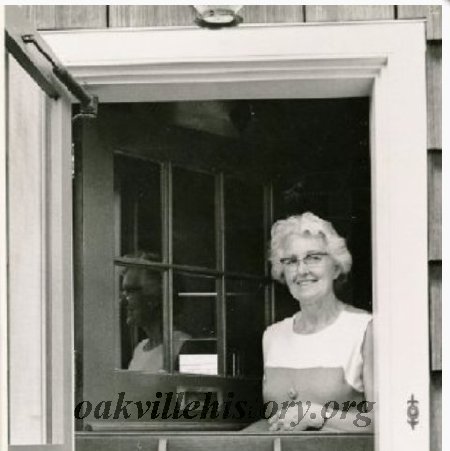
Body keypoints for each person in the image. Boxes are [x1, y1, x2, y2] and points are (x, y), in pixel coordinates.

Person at [248, 212, 374, 432]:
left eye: (313, 257)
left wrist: (317, 415)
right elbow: (271, 424)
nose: (302, 270)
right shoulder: (273, 335)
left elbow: (381, 421)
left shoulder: (363, 329)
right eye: (291, 261)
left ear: (336, 267)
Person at [120, 255, 190, 371]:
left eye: (131, 291)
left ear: (154, 298)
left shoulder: (182, 346)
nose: (123, 299)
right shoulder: (140, 348)